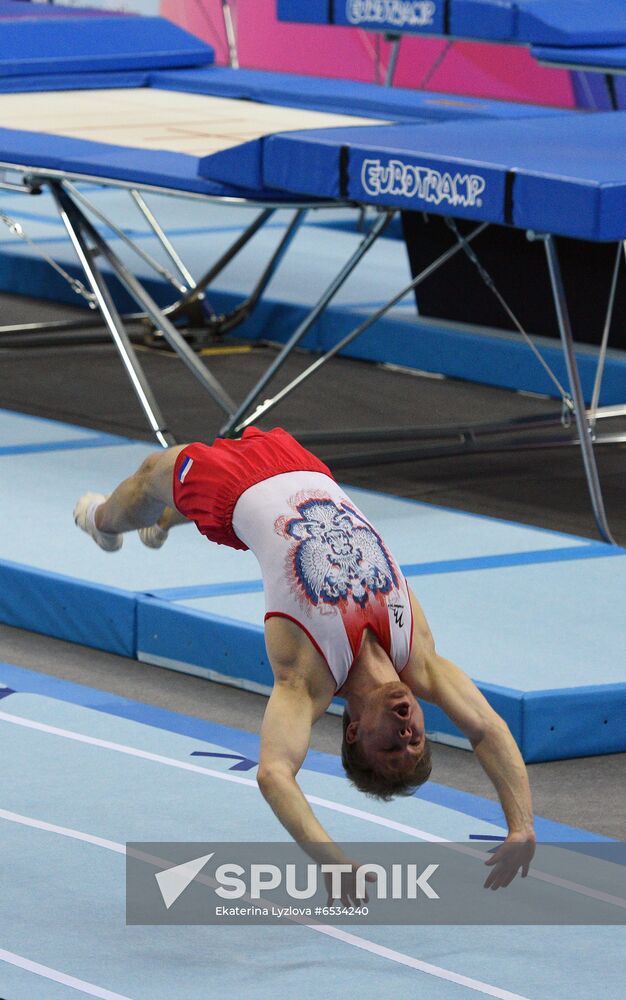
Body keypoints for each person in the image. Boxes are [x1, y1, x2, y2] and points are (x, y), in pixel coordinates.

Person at [74, 426, 536, 896]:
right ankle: (170, 520)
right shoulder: (417, 657)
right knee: (191, 490)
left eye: (393, 748)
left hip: (231, 488)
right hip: (306, 469)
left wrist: (332, 862)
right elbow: (485, 727)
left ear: (353, 731)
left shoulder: (307, 679)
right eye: (416, 741)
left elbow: (274, 774)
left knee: (154, 471)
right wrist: (521, 826)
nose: (407, 733)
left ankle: (102, 522)